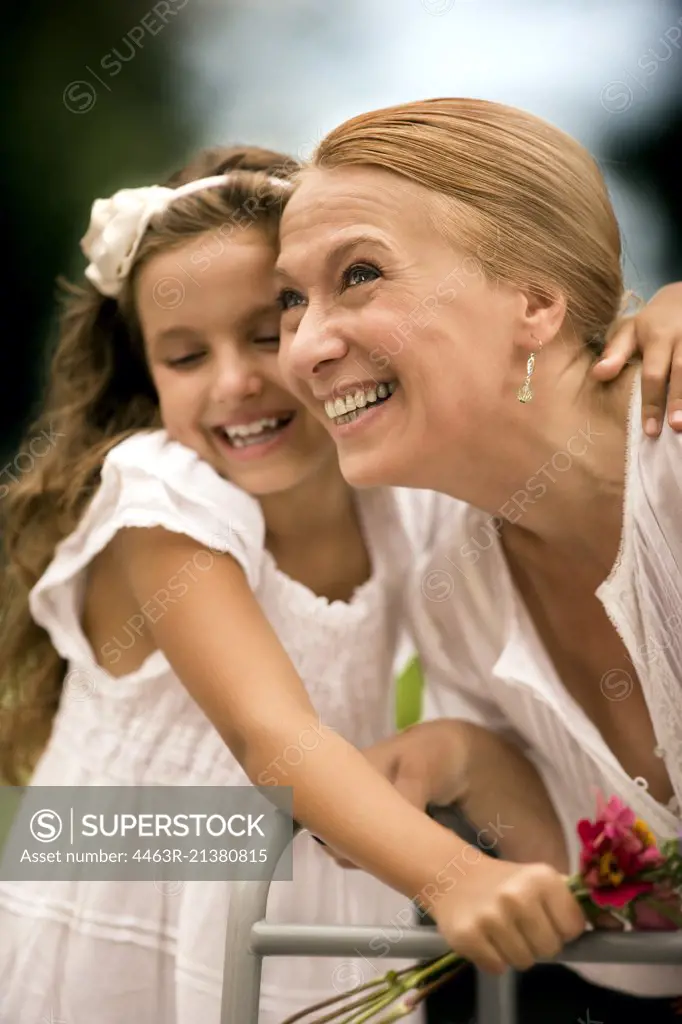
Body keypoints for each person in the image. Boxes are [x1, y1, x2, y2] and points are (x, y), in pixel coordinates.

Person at [0, 142, 594, 1024]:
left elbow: (535, 417)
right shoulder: (162, 495)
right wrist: (456, 873)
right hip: (130, 903)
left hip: (318, 900)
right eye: (184, 357)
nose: (236, 382)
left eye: (266, 334)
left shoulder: (403, 504)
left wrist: (657, 317)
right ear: (146, 377)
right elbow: (265, 730)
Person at [275, 97, 682, 1015]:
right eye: (291, 299)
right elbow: (617, 931)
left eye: (361, 274)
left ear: (535, 304)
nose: (303, 347)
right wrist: (464, 756)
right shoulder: (455, 596)